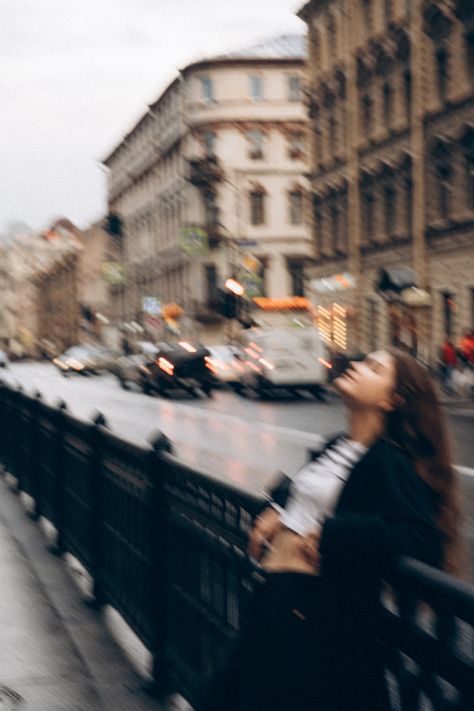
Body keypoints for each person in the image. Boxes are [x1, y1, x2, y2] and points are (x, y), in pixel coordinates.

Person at [197, 349, 464, 711]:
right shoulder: (336, 446)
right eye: (362, 361)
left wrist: (337, 534)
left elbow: (419, 537)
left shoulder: (389, 460)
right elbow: (311, 496)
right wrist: (278, 508)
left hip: (312, 616)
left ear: (392, 400)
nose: (355, 366)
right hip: (273, 601)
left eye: (373, 368)